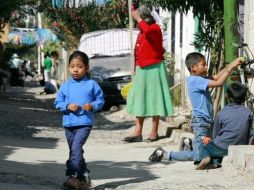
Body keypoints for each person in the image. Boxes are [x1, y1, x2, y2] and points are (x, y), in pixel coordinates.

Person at [149, 52, 244, 163]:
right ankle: (164, 155)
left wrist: (232, 64)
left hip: (206, 121)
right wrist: (231, 67)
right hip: (201, 122)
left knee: (206, 149)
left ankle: (188, 144)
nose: (206, 67)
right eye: (203, 64)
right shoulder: (196, 81)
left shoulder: (199, 78)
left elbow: (216, 77)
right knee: (198, 156)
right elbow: (218, 82)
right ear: (193, 68)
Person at [123, 5, 174, 143]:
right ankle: (138, 132)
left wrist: (138, 19)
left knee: (154, 99)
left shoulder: (155, 29)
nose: (138, 24)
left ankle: (154, 132)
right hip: (142, 69)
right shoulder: (142, 32)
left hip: (154, 69)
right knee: (140, 99)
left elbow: (149, 32)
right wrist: (136, 68)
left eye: (140, 21)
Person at [54, 51, 104, 189]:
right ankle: (83, 175)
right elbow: (57, 102)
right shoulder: (66, 85)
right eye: (72, 66)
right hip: (68, 123)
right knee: (74, 150)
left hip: (84, 123)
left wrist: (92, 105)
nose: (75, 69)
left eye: (80, 66)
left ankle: (72, 176)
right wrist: (67, 106)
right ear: (69, 67)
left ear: (87, 68)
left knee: (76, 148)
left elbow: (100, 100)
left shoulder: (92, 84)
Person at [196, 82, 253, 170]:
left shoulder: (222, 113)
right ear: (244, 99)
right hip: (238, 145)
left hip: (221, 146)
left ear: (227, 97)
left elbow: (215, 133)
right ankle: (216, 163)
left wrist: (213, 142)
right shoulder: (248, 113)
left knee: (203, 147)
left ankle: (206, 158)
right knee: (219, 153)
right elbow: (250, 133)